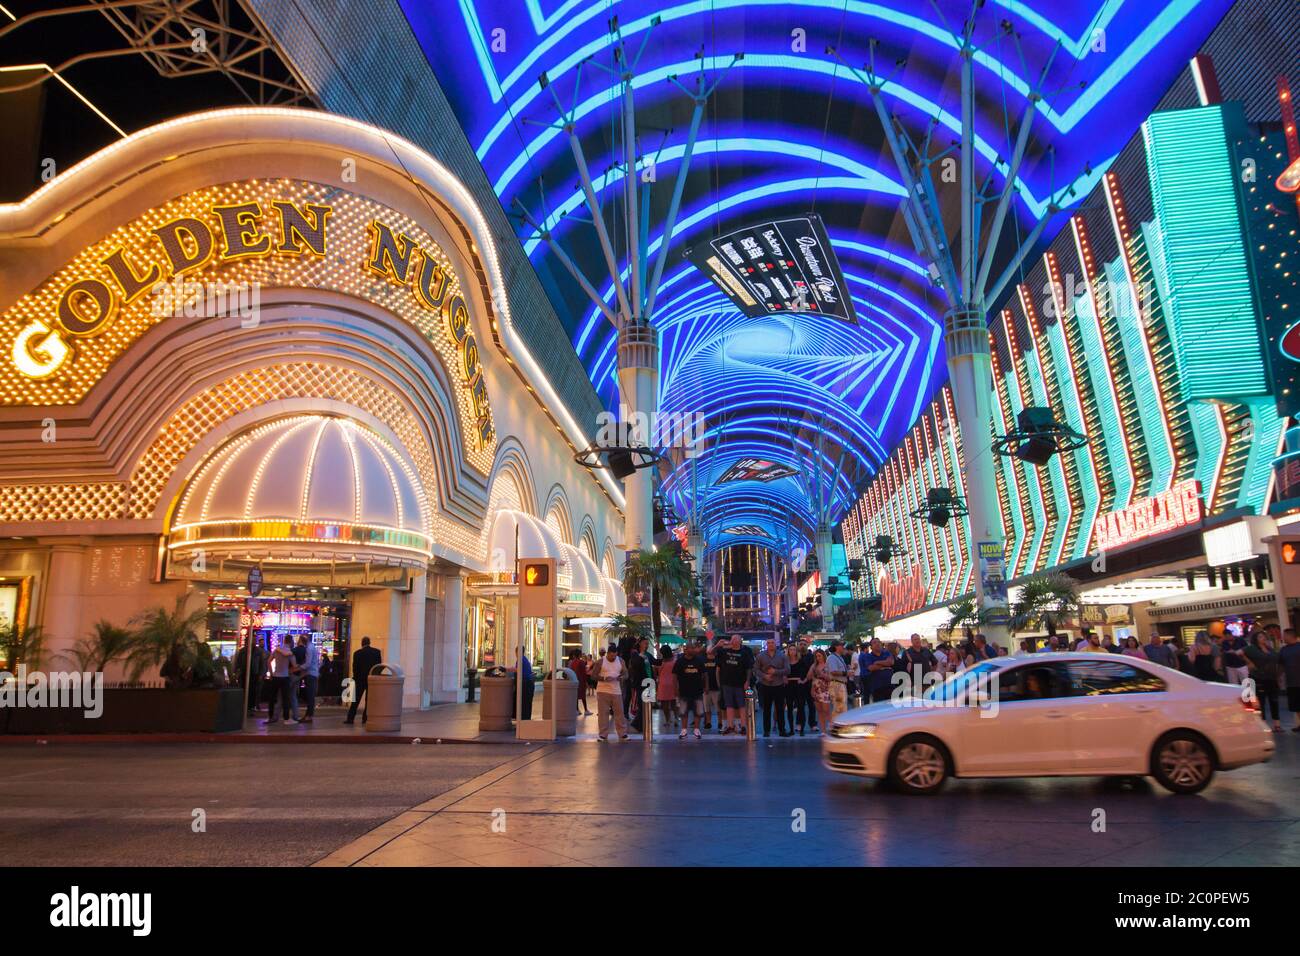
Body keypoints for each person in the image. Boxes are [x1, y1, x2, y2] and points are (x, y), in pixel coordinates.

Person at [715, 635, 754, 735]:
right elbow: (709, 652)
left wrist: (747, 681)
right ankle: (730, 726)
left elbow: (748, 668)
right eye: (732, 640)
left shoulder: (744, 653)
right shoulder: (724, 651)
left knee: (741, 705)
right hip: (727, 683)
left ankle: (743, 726)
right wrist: (717, 645)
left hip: (740, 683)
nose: (734, 642)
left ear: (740, 641)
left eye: (736, 640)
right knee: (729, 705)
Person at [1244, 631, 1281, 732]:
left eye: (1264, 636)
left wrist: (1278, 676)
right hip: (1259, 678)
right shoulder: (1252, 648)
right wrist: (1249, 662)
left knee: (1274, 701)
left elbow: (1276, 659)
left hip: (1271, 678)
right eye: (1260, 636)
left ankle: (1277, 725)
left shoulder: (1269, 648)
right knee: (1261, 702)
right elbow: (1239, 653)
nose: (1263, 638)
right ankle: (1262, 726)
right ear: (1255, 639)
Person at [753, 638, 790, 737]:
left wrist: (776, 672)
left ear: (776, 644)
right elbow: (756, 669)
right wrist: (764, 676)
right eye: (768, 643)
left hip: (779, 685)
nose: (770, 644)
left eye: (772, 643)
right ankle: (766, 730)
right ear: (766, 644)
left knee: (780, 709)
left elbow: (787, 670)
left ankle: (782, 730)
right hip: (765, 685)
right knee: (766, 709)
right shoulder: (760, 656)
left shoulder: (782, 656)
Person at [591, 645, 629, 739]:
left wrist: (621, 678)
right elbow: (593, 675)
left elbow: (626, 673)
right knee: (603, 713)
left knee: (620, 712)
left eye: (614, 656)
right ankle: (603, 734)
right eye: (611, 656)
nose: (613, 658)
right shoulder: (600, 661)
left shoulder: (620, 661)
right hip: (603, 690)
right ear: (607, 654)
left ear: (617, 654)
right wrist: (604, 678)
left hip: (616, 691)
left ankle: (622, 733)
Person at [673, 642, 706, 739]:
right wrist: (675, 688)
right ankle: (684, 730)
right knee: (683, 711)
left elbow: (704, 674)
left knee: (698, 711)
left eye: (693, 648)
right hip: (684, 690)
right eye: (690, 648)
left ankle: (696, 729)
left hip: (697, 690)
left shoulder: (699, 661)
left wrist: (706, 686)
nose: (692, 650)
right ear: (686, 649)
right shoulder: (680, 661)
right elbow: (674, 676)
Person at [346, 636, 381, 725]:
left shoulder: (357, 653)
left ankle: (350, 718)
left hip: (359, 679)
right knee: (368, 700)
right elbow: (379, 667)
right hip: (371, 680)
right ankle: (365, 718)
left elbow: (355, 668)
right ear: (369, 642)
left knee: (355, 700)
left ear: (362, 643)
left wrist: (356, 677)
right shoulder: (376, 652)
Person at [265, 635, 297, 725]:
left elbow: (268, 661)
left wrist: (271, 673)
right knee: (285, 698)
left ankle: (270, 717)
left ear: (284, 641)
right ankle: (286, 719)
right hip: (285, 677)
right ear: (291, 642)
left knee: (272, 698)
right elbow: (294, 666)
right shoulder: (290, 652)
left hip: (275, 676)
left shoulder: (276, 650)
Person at [785, 642, 812, 735]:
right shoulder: (785, 662)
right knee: (789, 707)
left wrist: (803, 680)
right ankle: (791, 729)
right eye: (790, 650)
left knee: (801, 707)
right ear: (788, 651)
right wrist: (784, 678)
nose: (792, 651)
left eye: (794, 650)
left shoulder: (801, 661)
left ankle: (802, 730)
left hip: (799, 685)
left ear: (797, 651)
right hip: (788, 686)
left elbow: (807, 672)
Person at [234, 638, 266, 715]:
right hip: (244, 673)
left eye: (254, 641)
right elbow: (238, 662)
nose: (253, 642)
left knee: (253, 691)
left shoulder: (258, 651)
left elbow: (262, 664)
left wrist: (261, 674)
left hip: (254, 673)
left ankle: (251, 707)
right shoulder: (243, 651)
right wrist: (237, 672)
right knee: (245, 690)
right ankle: (246, 707)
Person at [859, 638, 895, 703]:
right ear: (871, 647)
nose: (877, 644)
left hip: (890, 685)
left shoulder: (887, 653)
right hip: (877, 687)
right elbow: (871, 668)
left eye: (879, 642)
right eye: (874, 643)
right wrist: (886, 666)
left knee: (891, 707)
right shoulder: (868, 656)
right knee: (880, 708)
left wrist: (877, 662)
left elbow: (891, 662)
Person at [1279, 628, 1300, 732]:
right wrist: (1278, 677)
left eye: (1284, 635)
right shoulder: (1283, 650)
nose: (1283, 638)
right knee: (1296, 706)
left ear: (1290, 635)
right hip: (1291, 682)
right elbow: (1281, 665)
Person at [296, 634, 321, 722]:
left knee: (310, 696)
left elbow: (308, 664)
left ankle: (308, 716)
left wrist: (297, 668)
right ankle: (309, 715)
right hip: (313, 674)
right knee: (311, 696)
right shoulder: (312, 647)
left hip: (310, 674)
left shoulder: (309, 649)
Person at [656, 646, 679, 730]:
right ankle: (676, 718)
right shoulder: (674, 661)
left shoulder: (661, 662)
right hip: (672, 683)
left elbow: (658, 673)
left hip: (663, 684)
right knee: (673, 703)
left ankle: (668, 720)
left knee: (664, 704)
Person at [810, 649, 832, 732]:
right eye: (816, 656)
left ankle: (831, 728)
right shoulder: (815, 666)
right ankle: (823, 731)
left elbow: (830, 678)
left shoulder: (828, 665)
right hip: (816, 688)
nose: (818, 658)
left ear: (823, 655)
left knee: (826, 710)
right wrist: (812, 689)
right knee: (819, 711)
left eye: (819, 655)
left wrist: (822, 674)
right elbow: (812, 679)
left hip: (825, 689)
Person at [825, 639, 849, 717]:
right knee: (838, 709)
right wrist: (846, 673)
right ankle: (836, 728)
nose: (843, 647)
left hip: (840, 684)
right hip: (837, 685)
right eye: (841, 646)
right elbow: (833, 671)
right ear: (836, 647)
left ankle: (839, 727)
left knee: (842, 709)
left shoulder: (839, 657)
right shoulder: (832, 657)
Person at [702, 642, 721, 730]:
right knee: (707, 707)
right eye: (708, 651)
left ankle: (720, 722)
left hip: (716, 686)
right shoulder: (703, 660)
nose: (710, 652)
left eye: (711, 650)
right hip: (706, 688)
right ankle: (708, 722)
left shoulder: (717, 660)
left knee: (718, 706)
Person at [568, 650, 591, 716]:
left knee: (576, 696)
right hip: (581, 681)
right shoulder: (581, 662)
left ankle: (577, 709)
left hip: (574, 680)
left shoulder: (572, 663)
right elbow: (584, 673)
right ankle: (586, 710)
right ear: (580, 655)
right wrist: (586, 681)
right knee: (583, 696)